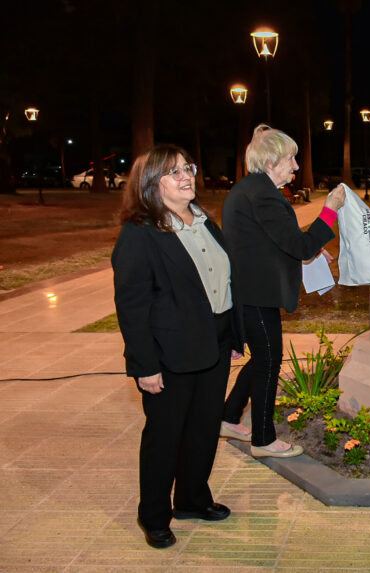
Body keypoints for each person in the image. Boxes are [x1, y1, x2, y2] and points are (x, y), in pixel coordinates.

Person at [112, 144, 238, 549]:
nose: (188, 177)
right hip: (170, 354)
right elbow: (132, 308)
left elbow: (224, 284)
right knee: (165, 437)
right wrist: (144, 365)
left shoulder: (204, 222)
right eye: (174, 172)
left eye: (188, 168)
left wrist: (233, 337)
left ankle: (191, 499)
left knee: (203, 430)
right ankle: (154, 515)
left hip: (214, 345)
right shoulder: (140, 234)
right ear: (152, 184)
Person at [220, 124, 345, 458]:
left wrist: (313, 249)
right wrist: (330, 209)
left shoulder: (251, 189)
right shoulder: (262, 194)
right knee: (269, 362)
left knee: (264, 357)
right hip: (255, 295)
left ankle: (229, 416)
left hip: (250, 292)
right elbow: (299, 246)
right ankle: (263, 439)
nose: (295, 166)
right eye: (291, 158)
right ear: (271, 161)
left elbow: (270, 240)